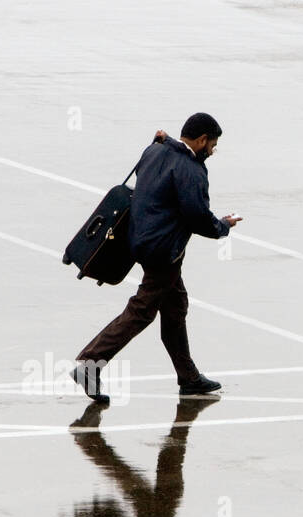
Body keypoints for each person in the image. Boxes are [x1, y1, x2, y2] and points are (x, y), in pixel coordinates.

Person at [70, 112, 242, 404]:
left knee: (175, 307)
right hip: (164, 251)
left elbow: (155, 176)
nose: (212, 151)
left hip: (139, 240)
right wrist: (223, 225)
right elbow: (198, 218)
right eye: (212, 145)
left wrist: (166, 141)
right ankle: (90, 363)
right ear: (201, 140)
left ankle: (188, 377)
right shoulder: (192, 170)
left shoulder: (155, 150)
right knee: (141, 311)